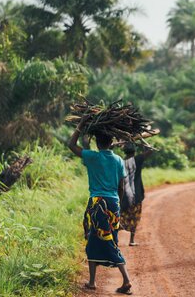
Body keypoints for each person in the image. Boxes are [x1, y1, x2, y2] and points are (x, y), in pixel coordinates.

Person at [68, 116, 133, 295]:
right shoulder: (119, 160)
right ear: (112, 141)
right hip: (113, 203)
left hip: (97, 204)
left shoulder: (92, 157)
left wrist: (80, 126)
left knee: (105, 242)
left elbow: (71, 145)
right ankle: (91, 282)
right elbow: (121, 186)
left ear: (97, 142)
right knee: (96, 242)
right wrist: (118, 206)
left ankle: (126, 280)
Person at [119, 143, 153, 246]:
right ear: (134, 152)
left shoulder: (120, 162)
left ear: (124, 152)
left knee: (121, 215)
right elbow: (151, 150)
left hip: (123, 194)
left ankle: (115, 238)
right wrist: (142, 143)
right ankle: (131, 240)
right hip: (136, 194)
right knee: (134, 216)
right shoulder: (137, 159)